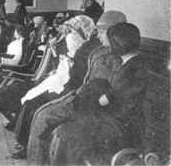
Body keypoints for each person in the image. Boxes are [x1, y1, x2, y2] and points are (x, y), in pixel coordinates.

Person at [24, 12, 128, 164]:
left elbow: (103, 90)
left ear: (117, 34)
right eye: (98, 31)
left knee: (43, 117)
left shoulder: (113, 56)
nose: (98, 35)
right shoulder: (100, 50)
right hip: (82, 98)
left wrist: (74, 98)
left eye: (103, 32)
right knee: (41, 114)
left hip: (90, 107)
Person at [48, 22, 147, 165]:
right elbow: (117, 94)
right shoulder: (129, 62)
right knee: (65, 130)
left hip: (122, 126)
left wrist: (100, 105)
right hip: (114, 118)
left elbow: (125, 106)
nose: (108, 45)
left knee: (67, 133)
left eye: (110, 41)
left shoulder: (134, 68)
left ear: (118, 43)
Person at [9, 15, 100, 159]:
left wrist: (69, 65)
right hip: (64, 83)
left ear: (83, 32)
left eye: (73, 32)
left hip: (72, 90)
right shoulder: (81, 45)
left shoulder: (89, 50)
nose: (70, 35)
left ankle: (28, 146)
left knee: (35, 106)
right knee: (31, 101)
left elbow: (80, 78)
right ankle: (25, 141)